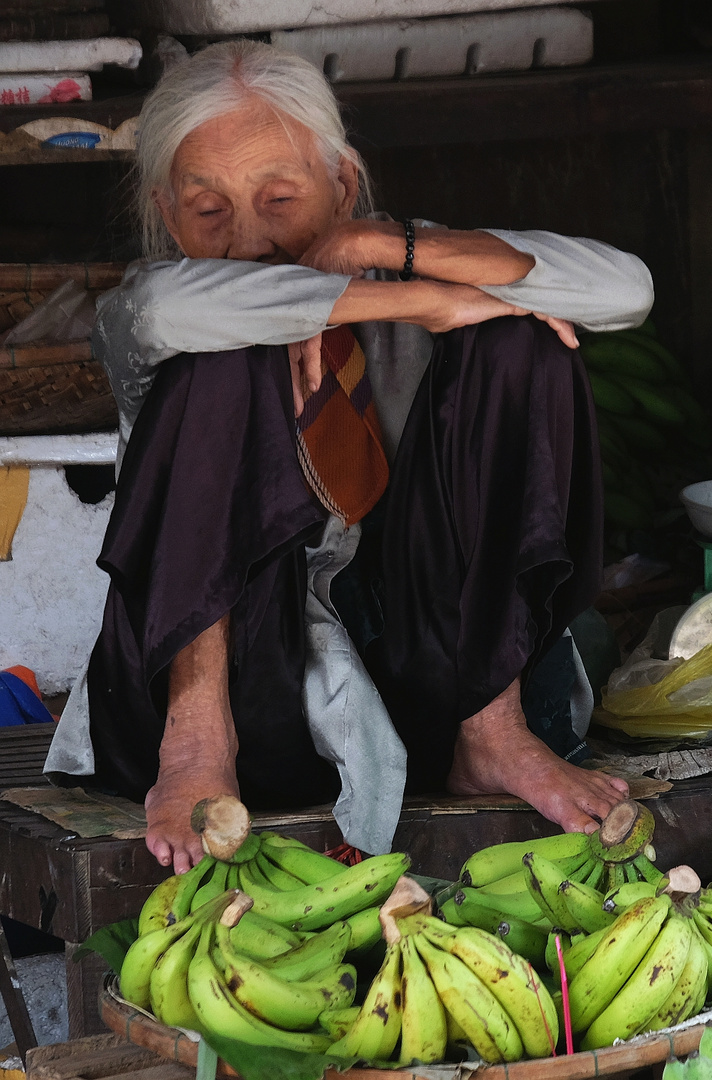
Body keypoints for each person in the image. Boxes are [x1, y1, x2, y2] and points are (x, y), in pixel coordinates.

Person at [44, 39, 654, 873]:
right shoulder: (155, 305)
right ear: (165, 209)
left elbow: (625, 290)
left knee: (522, 345)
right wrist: (434, 300)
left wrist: (385, 248)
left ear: (344, 183)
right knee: (230, 352)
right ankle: (194, 742)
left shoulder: (392, 250)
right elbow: (185, 305)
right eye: (207, 209)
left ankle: (494, 732)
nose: (249, 237)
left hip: (427, 667)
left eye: (281, 197)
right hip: (242, 691)